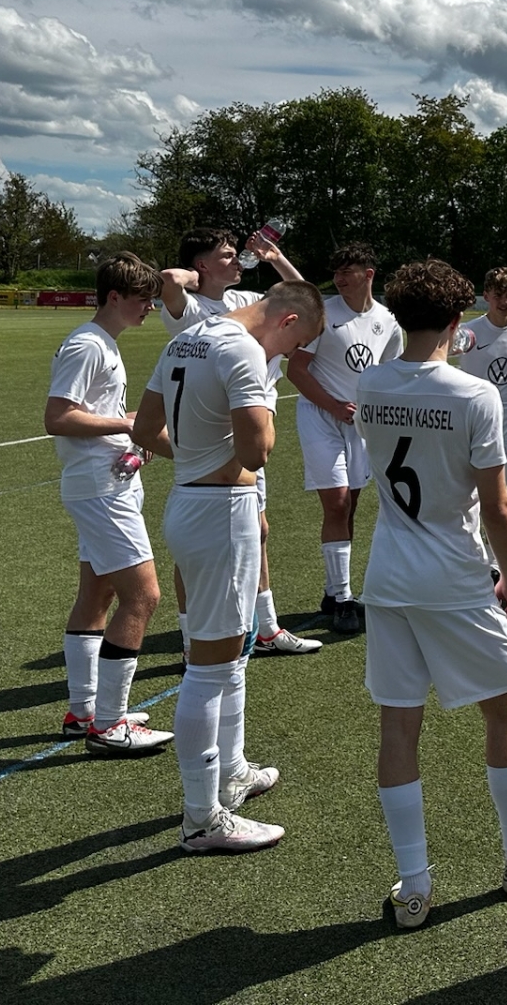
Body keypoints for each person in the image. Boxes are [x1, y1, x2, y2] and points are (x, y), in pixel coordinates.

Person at [354, 259, 507, 930]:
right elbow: (498, 504)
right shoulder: (474, 395)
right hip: (454, 574)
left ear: (397, 318)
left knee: (399, 724)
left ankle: (414, 888)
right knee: (504, 709)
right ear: (459, 324)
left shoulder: (370, 385)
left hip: (389, 575)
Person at [133, 280, 327, 853]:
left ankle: (232, 771)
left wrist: (194, 456)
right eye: (294, 346)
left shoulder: (187, 338)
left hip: (190, 502)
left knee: (227, 653)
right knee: (211, 666)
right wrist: (262, 398)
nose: (285, 358)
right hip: (220, 513)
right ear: (288, 320)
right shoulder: (243, 350)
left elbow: (144, 430)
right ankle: (201, 818)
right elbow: (255, 452)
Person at [159, 227, 319, 657]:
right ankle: (193, 637)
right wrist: (198, 277)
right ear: (202, 265)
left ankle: (265, 627)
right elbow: (169, 280)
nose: (237, 261)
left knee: (258, 529)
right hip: (216, 432)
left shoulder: (243, 302)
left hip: (252, 420)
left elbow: (302, 301)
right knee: (196, 550)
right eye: (226, 256)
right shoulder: (190, 310)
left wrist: (274, 257)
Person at [45, 251, 172, 756]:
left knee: (96, 594)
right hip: (100, 490)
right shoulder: (87, 345)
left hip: (106, 482)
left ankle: (84, 711)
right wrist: (128, 425)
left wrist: (132, 441)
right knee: (143, 597)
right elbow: (58, 417)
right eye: (143, 300)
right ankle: (110, 724)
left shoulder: (104, 343)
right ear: (115, 297)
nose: (149, 309)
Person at [286, 242, 401, 636]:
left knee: (350, 504)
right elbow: (296, 371)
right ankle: (344, 599)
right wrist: (334, 406)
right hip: (320, 417)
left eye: (346, 272)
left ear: (368, 275)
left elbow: (389, 375)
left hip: (360, 424)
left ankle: (334, 590)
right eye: (335, 273)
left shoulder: (388, 320)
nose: (338, 279)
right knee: (335, 503)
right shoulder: (323, 315)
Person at [457, 267, 507, 490]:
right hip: (472, 423)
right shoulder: (467, 332)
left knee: (502, 493)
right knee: (469, 490)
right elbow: (438, 357)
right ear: (486, 297)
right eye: (498, 296)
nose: (504, 302)